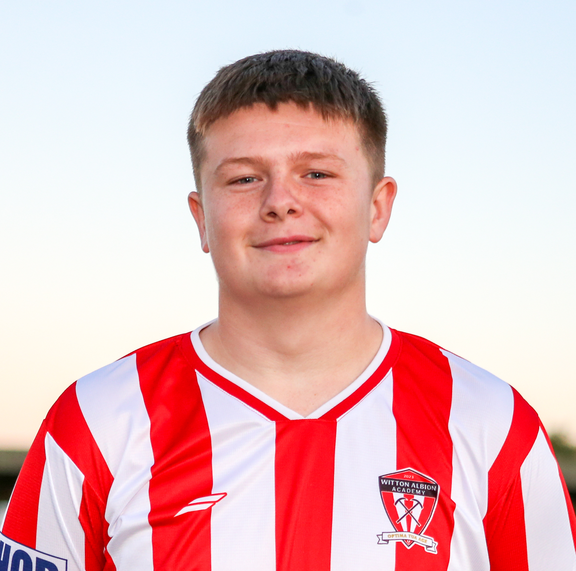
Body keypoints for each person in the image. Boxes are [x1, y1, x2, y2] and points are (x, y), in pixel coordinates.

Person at [1, 50, 575, 571]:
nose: (280, 202)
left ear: (377, 207)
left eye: (316, 173)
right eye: (244, 178)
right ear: (202, 219)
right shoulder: (96, 421)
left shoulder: (493, 424)